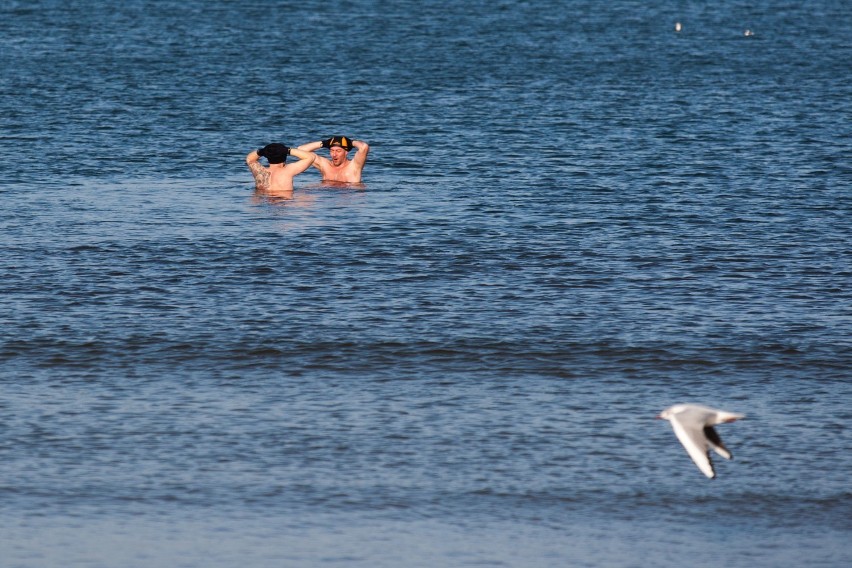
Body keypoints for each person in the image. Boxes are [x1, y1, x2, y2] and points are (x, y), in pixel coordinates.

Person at [297, 135, 369, 183]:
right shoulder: (325, 165)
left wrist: (351, 142)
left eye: (338, 151)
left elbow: (364, 147)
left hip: (348, 202)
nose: (334, 154)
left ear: (346, 152)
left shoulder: (354, 166)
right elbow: (300, 150)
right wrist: (325, 143)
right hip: (327, 201)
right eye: (332, 150)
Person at [246, 143, 316, 192]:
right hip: (283, 200)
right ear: (285, 156)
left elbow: (249, 158)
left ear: (267, 157)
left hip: (264, 200)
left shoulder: (259, 171)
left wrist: (263, 151)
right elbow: (310, 157)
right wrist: (287, 150)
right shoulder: (288, 170)